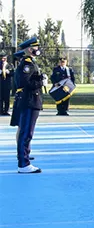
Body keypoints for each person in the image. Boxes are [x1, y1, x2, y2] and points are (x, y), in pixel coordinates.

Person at [13, 39, 46, 173]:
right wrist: (41, 82)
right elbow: (25, 83)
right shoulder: (27, 64)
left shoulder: (30, 63)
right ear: (28, 49)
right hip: (29, 100)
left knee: (26, 133)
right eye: (34, 47)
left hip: (30, 100)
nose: (37, 49)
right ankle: (23, 163)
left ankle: (24, 160)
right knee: (26, 133)